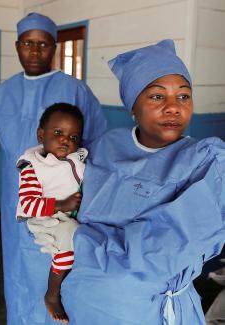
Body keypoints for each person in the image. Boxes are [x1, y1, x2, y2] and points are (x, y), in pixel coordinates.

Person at [35, 39, 225, 324]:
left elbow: (161, 251)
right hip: (81, 302)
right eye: (157, 97)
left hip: (144, 311)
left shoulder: (207, 163)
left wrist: (77, 239)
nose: (173, 107)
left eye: (184, 96)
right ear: (132, 107)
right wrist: (45, 219)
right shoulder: (103, 148)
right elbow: (58, 186)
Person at [0, 12, 107, 325]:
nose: (34, 51)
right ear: (17, 45)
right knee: (18, 271)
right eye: (28, 43)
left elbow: (95, 144)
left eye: (43, 45)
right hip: (17, 199)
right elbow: (6, 142)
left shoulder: (74, 90)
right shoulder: (3, 93)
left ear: (54, 47)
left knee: (59, 266)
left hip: (64, 205)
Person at [16, 103, 86, 323]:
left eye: (74, 137)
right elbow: (27, 204)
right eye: (58, 133)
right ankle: (52, 294)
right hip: (47, 218)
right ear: (41, 134)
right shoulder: (34, 167)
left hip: (68, 214)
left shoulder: (77, 158)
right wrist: (61, 205)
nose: (66, 140)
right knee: (69, 241)